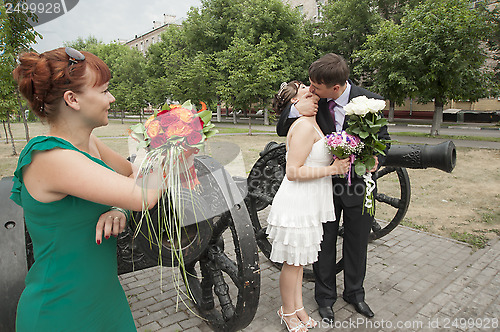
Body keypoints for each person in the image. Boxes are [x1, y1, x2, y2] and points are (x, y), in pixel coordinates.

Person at [10, 47, 160, 331]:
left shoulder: (88, 144)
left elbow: (131, 176)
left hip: (104, 299)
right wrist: (172, 146)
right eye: (103, 91)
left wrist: (117, 207)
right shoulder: (49, 157)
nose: (111, 98)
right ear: (72, 99)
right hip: (61, 311)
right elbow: (143, 194)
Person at [276, 54, 391, 323]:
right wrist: (295, 109)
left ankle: (355, 294)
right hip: (322, 187)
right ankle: (325, 299)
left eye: (316, 87)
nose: (311, 90)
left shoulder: (368, 102)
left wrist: (377, 160)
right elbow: (283, 127)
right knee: (324, 245)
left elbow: (384, 141)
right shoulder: (315, 102)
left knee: (357, 243)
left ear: (336, 88)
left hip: (359, 188)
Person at [267, 81, 351, 332]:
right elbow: (293, 171)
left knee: (300, 263)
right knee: (292, 265)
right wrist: (333, 169)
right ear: (295, 102)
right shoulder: (303, 126)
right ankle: (287, 311)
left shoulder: (312, 121)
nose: (314, 96)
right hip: (297, 205)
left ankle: (298, 307)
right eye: (307, 93)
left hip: (310, 204)